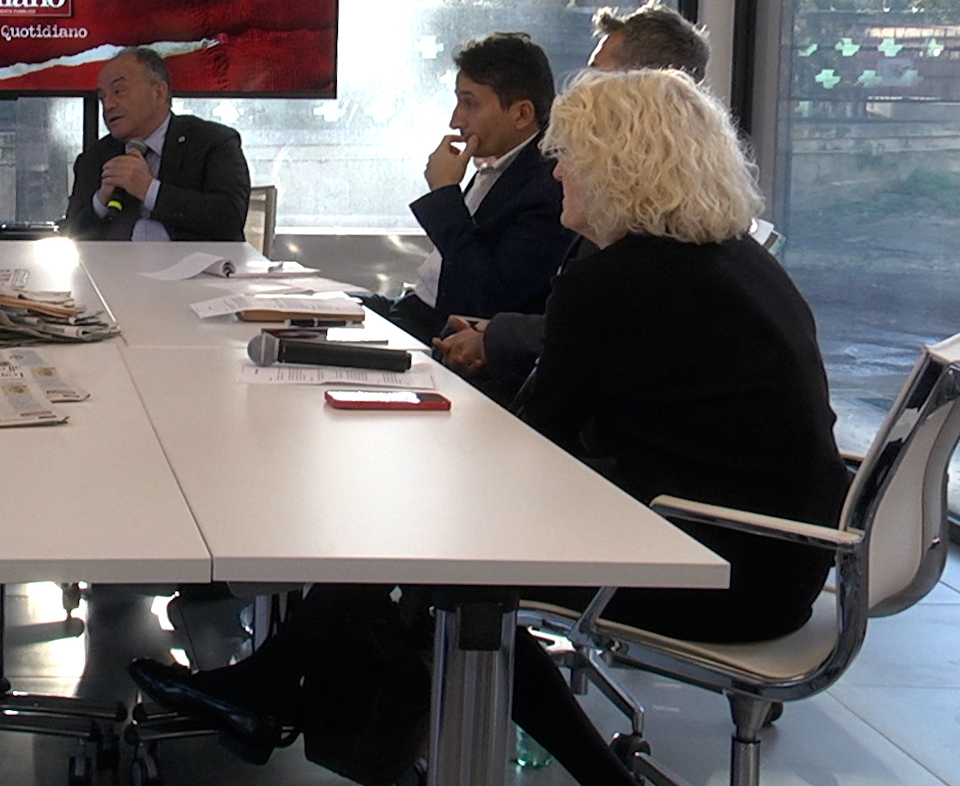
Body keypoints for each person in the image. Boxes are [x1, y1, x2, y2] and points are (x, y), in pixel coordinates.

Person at [128, 68, 849, 786]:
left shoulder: (617, 279)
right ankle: (268, 692)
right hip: (783, 558)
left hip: (708, 566)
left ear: (617, 168)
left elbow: (535, 454)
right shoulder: (735, 258)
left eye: (570, 156)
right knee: (423, 546)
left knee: (448, 575)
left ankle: (275, 695)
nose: (556, 171)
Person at [435, 1, 711, 391]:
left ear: (646, 87)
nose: (581, 88)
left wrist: (492, 337)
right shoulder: (656, 195)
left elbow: (587, 333)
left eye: (597, 75)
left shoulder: (653, 214)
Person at [371, 32, 574, 342]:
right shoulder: (498, 163)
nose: (455, 121)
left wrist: (444, 193)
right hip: (412, 307)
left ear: (522, 114)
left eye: (469, 103)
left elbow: (485, 296)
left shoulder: (548, 187)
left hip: (441, 331)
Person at [63, 48, 250, 241]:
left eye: (119, 91)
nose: (108, 105)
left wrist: (148, 189)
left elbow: (230, 219)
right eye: (102, 97)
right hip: (111, 261)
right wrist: (100, 202)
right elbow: (70, 233)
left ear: (159, 93)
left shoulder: (213, 142)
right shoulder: (94, 157)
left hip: (191, 261)